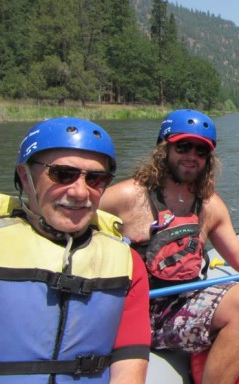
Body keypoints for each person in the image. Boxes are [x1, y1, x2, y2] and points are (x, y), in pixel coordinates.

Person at [99, 109, 239, 384]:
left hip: (182, 305)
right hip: (138, 312)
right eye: (183, 146)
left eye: (201, 151)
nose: (192, 156)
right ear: (163, 148)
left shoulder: (210, 206)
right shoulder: (127, 197)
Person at [0, 117, 151, 383]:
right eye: (62, 174)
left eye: (96, 178)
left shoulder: (127, 263)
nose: (81, 192)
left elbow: (129, 364)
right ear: (26, 177)